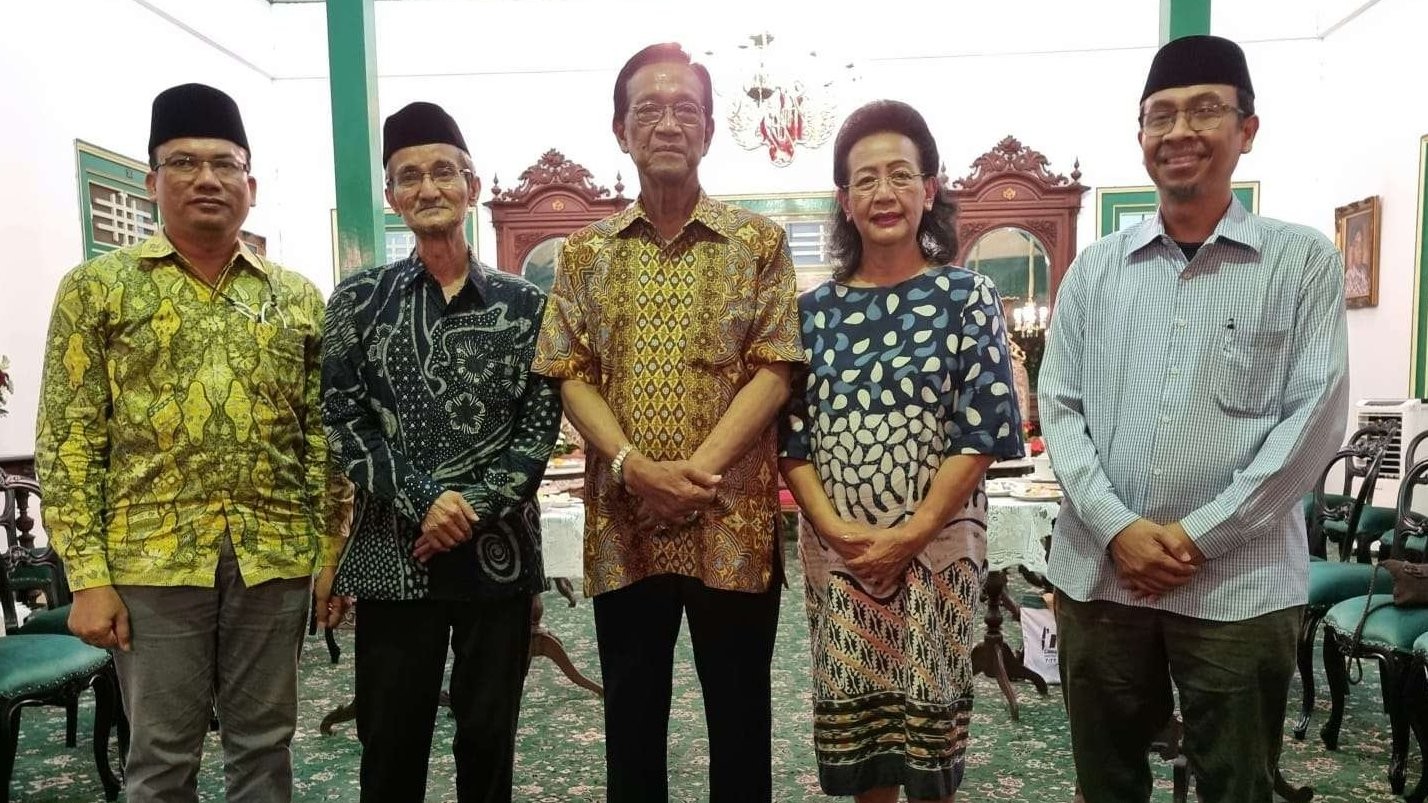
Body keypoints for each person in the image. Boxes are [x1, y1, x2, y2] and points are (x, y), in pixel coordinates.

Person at [1039, 35, 1350, 803]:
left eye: (1205, 110)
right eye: (1161, 116)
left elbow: (1312, 422)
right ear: (1140, 136)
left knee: (1236, 783)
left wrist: (1193, 536)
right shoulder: (1095, 272)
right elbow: (1061, 406)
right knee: (1104, 781)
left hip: (1236, 586)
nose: (1180, 132)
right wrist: (1118, 527)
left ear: (1247, 129)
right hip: (1102, 577)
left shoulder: (1300, 262)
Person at [35, 82, 346, 802]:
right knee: (162, 759)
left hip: (273, 558)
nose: (206, 178)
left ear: (250, 183)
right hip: (150, 560)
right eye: (182, 162)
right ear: (151, 181)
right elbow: (68, 438)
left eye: (223, 163)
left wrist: (330, 550)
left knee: (265, 750)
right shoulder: (98, 290)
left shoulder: (295, 295)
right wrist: (87, 575)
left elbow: (321, 435)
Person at [532, 42, 804, 803]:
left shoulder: (759, 243)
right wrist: (636, 468)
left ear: (711, 130)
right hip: (626, 525)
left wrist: (695, 474)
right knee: (632, 718)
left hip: (732, 523)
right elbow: (569, 372)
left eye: (686, 108)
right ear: (619, 129)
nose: (667, 123)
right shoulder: (585, 253)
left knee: (743, 721)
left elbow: (775, 369)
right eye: (647, 109)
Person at [779, 99, 1025, 803]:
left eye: (899, 175)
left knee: (928, 743)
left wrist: (910, 535)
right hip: (841, 557)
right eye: (865, 180)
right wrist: (841, 532)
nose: (883, 192)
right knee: (864, 742)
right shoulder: (811, 312)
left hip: (938, 555)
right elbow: (792, 438)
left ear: (930, 188)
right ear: (844, 200)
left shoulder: (966, 296)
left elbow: (980, 430)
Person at [321, 101, 560, 803]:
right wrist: (427, 500)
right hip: (394, 557)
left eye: (444, 172)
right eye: (410, 175)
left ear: (472, 186)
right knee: (390, 743)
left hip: (500, 559)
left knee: (489, 744)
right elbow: (343, 420)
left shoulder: (525, 305)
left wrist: (473, 507)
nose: (429, 187)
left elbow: (538, 429)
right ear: (392, 195)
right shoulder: (357, 301)